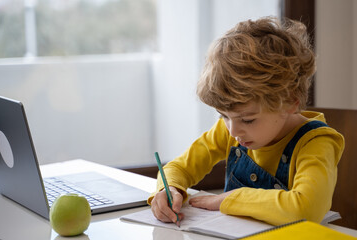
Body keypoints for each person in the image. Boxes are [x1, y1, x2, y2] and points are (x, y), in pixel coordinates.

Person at [148, 17, 345, 226]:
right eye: (223, 115)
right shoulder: (232, 129)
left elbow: (306, 208)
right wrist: (169, 189)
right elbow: (180, 167)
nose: (233, 131)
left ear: (290, 103)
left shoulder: (316, 143)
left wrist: (229, 199)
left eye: (248, 120)